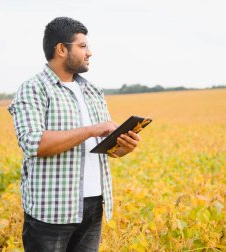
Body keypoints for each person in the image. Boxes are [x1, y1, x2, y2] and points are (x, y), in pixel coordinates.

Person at [7, 17, 141, 252]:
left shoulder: (92, 90)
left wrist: (124, 147)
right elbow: (33, 143)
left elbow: (106, 148)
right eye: (82, 46)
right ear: (61, 49)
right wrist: (91, 129)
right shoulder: (33, 88)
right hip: (51, 211)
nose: (90, 52)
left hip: (93, 205)